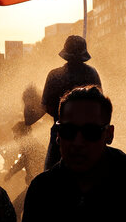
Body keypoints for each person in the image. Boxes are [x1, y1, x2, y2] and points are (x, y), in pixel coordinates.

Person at [22, 86, 126, 222]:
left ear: (109, 134)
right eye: (68, 131)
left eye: (91, 132)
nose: (78, 142)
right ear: (57, 134)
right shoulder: (42, 192)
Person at [41, 35, 102, 170]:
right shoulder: (92, 73)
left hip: (61, 131)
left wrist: (63, 117)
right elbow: (100, 104)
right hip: (90, 133)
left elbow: (47, 106)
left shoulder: (54, 75)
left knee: (51, 173)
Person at [3, 121, 45, 218]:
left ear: (24, 134)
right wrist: (10, 173)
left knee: (15, 209)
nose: (14, 138)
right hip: (33, 186)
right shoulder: (31, 146)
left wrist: (10, 173)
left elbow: (25, 164)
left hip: (36, 188)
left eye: (16, 135)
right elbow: (22, 162)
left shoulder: (32, 147)